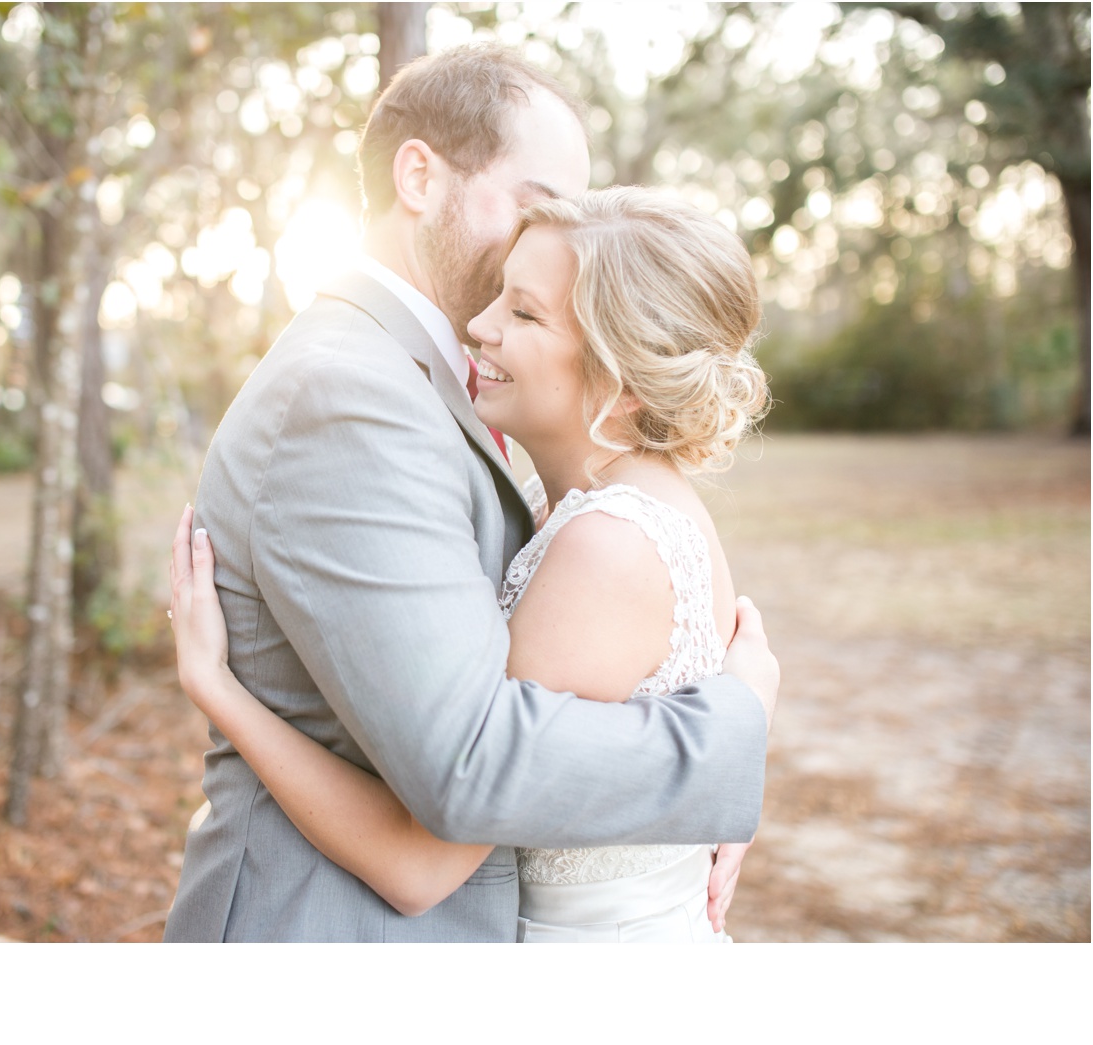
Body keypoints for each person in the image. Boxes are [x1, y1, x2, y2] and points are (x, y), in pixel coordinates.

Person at [161, 45, 780, 943]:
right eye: (536, 203)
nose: (544, 243)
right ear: (420, 176)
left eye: (529, 313)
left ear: (623, 367)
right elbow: (471, 769)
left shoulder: (467, 402)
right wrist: (730, 727)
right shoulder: (352, 391)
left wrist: (709, 773)